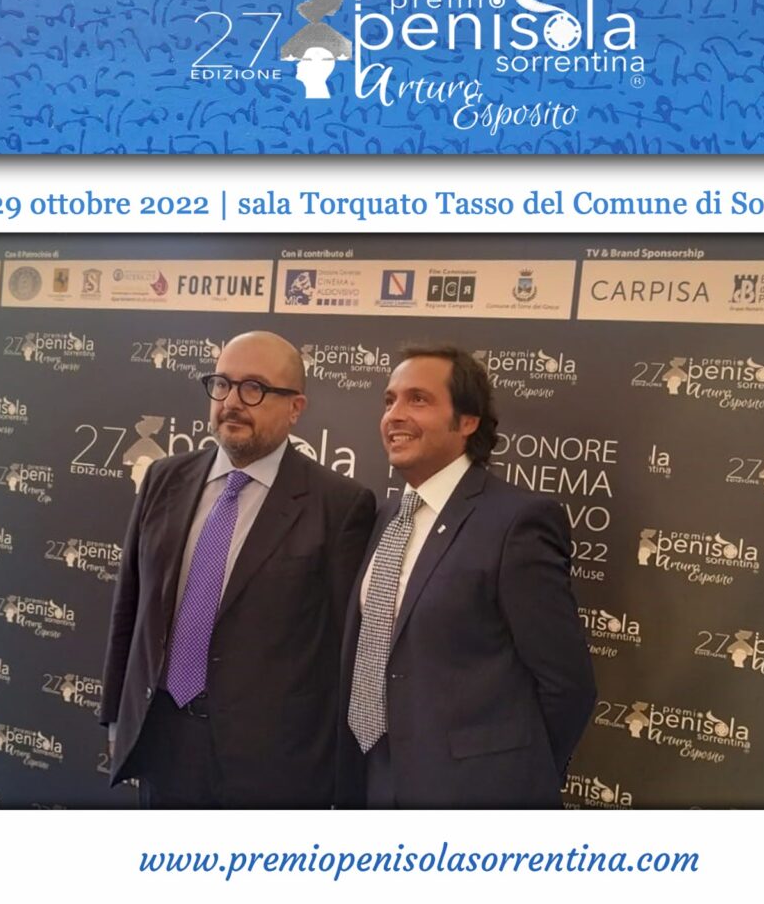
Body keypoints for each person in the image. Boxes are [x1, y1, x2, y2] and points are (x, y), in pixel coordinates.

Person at [101, 331, 376, 807]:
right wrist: (115, 718)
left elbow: (344, 654)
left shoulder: (339, 505)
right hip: (162, 742)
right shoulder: (164, 478)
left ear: (295, 408)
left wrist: (338, 775)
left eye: (254, 388)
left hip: (271, 767)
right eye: (222, 384)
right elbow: (130, 605)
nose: (231, 402)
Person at [336, 343, 595, 808]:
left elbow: (567, 684)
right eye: (389, 400)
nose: (395, 415)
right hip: (375, 784)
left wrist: (515, 778)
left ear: (468, 421)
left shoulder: (517, 522)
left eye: (418, 399)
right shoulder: (386, 514)